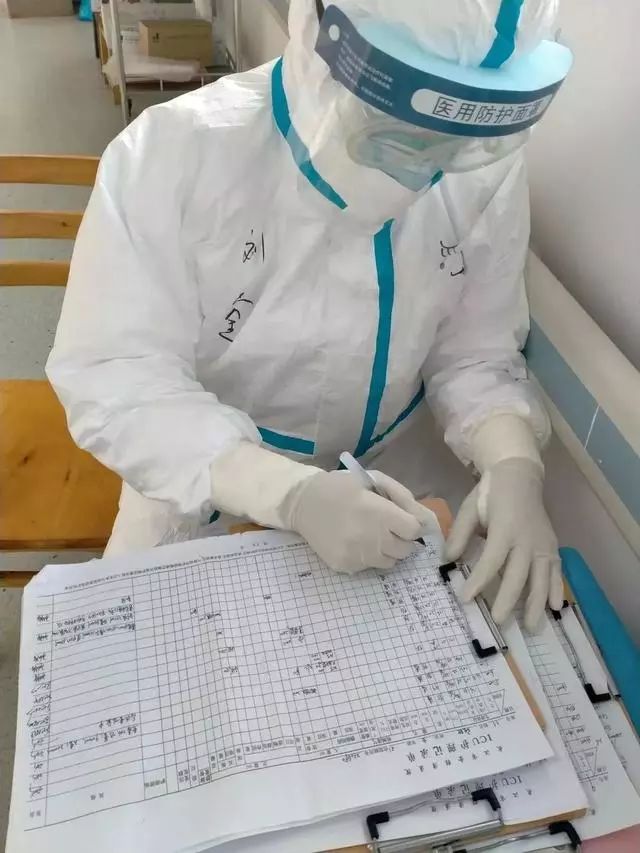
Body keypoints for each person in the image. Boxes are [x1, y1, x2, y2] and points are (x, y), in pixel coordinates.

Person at [46, 0, 573, 632]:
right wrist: (288, 493)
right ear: (325, 49)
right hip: (205, 487)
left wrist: (512, 461)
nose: (430, 165)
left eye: (460, 141)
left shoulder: (482, 167)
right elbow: (118, 374)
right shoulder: (172, 153)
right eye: (399, 127)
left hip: (396, 495)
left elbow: (474, 350)